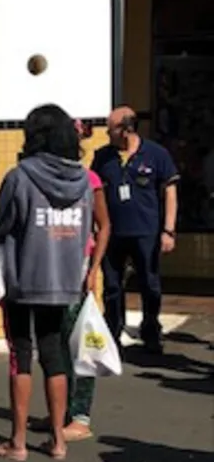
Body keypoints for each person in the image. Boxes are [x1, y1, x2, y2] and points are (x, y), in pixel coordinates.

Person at [0, 104, 94, 462]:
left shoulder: (20, 176)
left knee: (21, 356)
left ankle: (17, 443)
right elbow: (84, 233)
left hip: (24, 279)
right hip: (63, 280)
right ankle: (59, 441)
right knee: (54, 355)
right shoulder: (84, 181)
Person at [31, 119, 113, 441]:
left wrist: (94, 269)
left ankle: (80, 415)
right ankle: (60, 411)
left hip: (78, 269)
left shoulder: (89, 179)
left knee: (81, 343)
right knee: (53, 344)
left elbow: (104, 225)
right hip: (51, 268)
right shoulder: (41, 178)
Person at [91, 106, 179, 354]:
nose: (108, 133)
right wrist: (92, 229)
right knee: (112, 286)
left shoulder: (155, 154)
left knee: (149, 284)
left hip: (146, 232)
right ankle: (113, 334)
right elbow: (93, 193)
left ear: (126, 129)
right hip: (112, 233)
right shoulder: (103, 157)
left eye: (111, 129)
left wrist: (168, 230)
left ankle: (151, 330)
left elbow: (170, 191)